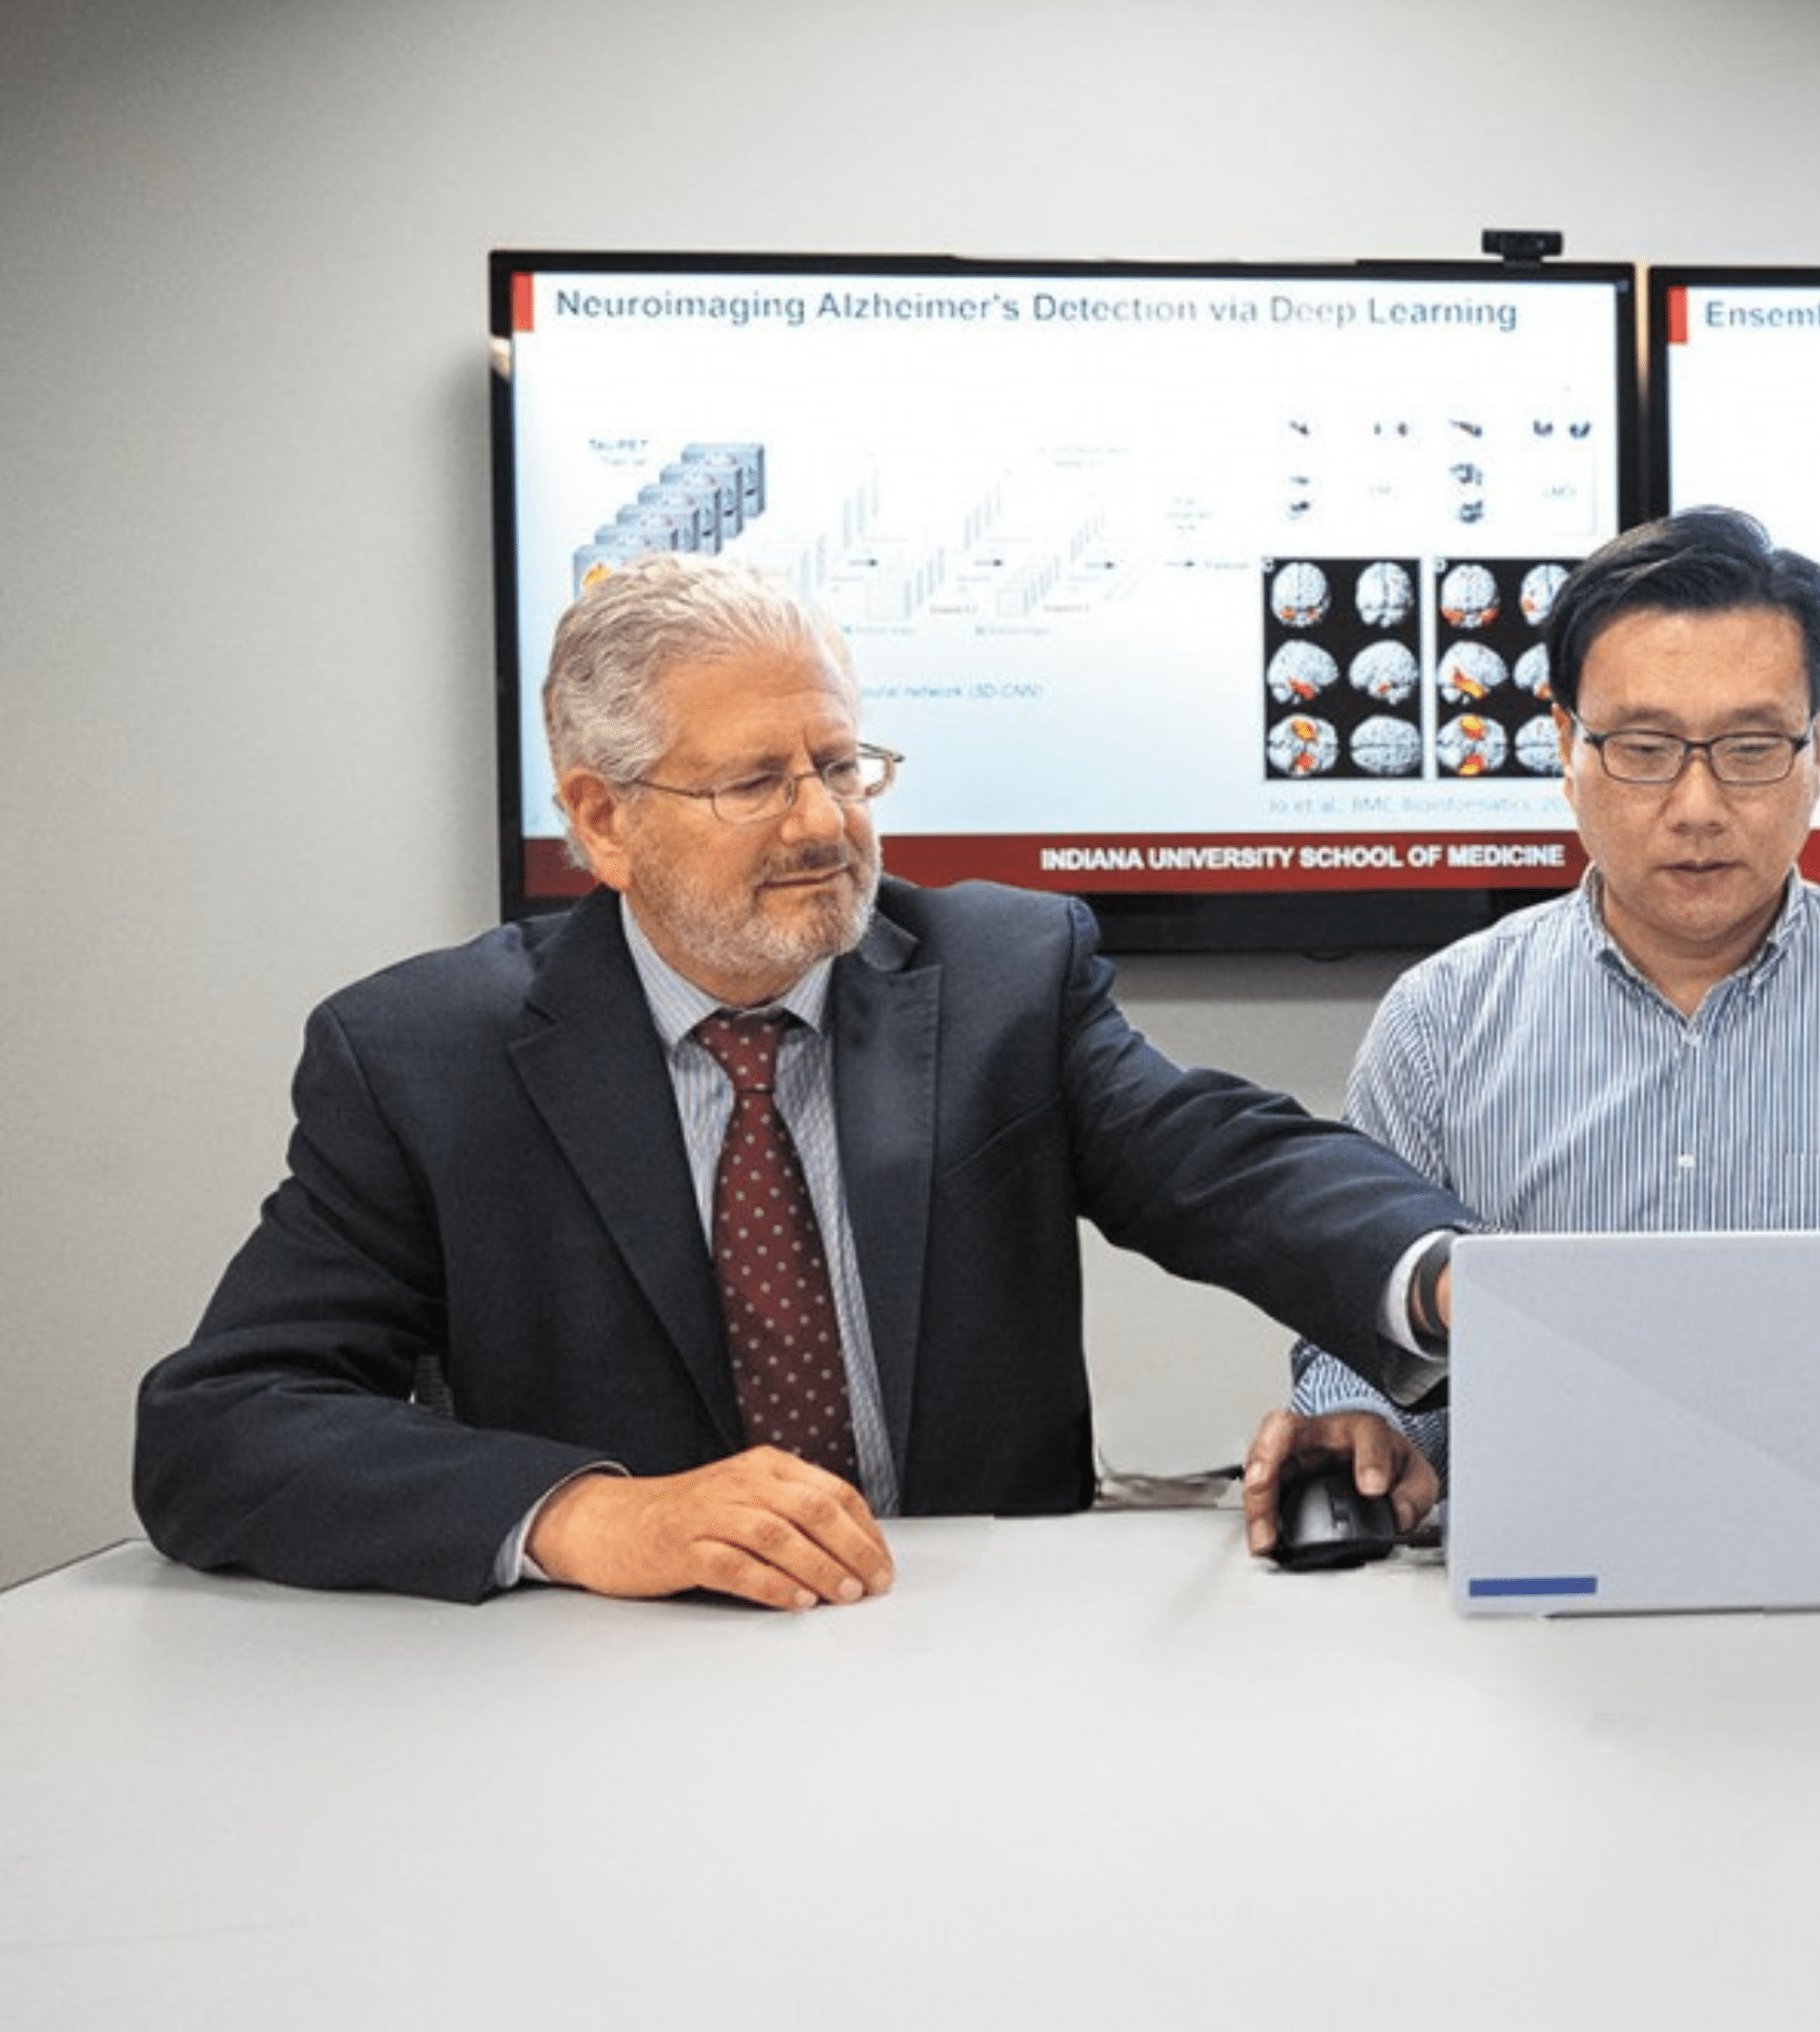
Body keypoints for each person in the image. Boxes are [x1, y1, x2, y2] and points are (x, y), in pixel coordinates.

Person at [136, 555, 1473, 1607]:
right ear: (604, 820)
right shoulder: (424, 1058)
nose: (827, 824)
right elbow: (223, 1428)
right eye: (758, 783)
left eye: (841, 766)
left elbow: (1218, 1156)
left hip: (976, 1645)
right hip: (608, 1682)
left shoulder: (1003, 971)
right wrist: (586, 1514)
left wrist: (1441, 1276)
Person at [1241, 507, 1820, 1554]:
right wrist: (1364, 1432)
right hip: (1534, 1578)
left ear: (1819, 745)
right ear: (1566, 745)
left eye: (1749, 748)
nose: (1696, 805)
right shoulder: (1442, 1023)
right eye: (1644, 748)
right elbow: (1358, 1349)